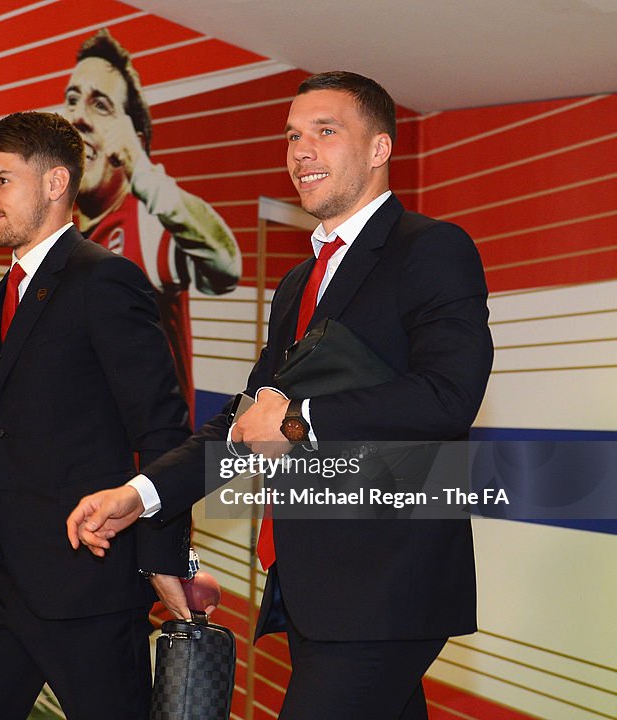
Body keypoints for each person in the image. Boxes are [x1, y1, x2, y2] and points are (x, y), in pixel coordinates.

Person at [66, 72, 494, 719]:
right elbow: (247, 423)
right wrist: (141, 495)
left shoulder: (430, 250)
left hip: (387, 588)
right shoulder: (300, 282)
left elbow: (449, 395)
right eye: (293, 135)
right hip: (318, 586)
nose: (301, 150)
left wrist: (299, 420)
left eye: (326, 131)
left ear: (379, 149)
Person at [0, 111, 194, 720]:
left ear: (54, 183)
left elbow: (162, 426)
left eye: (0, 181)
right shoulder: (2, 296)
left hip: (86, 585)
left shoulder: (106, 280)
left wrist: (164, 559)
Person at [63, 29, 243, 421]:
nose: (77, 116)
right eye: (72, 100)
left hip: (143, 476)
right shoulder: (63, 241)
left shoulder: (146, 222)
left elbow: (225, 265)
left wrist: (142, 171)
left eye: (101, 106)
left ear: (133, 142)